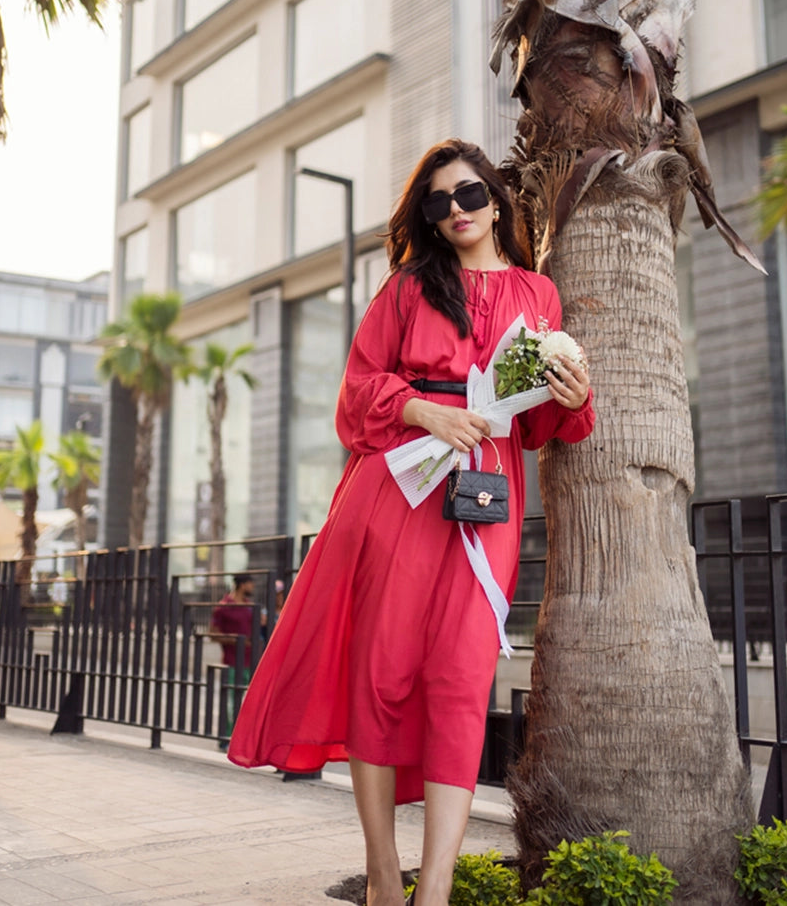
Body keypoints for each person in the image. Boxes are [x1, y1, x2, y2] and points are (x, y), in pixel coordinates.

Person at [228, 140, 594, 906]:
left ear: (496, 201)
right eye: (437, 203)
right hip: (395, 489)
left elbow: (536, 429)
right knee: (383, 674)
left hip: (484, 497)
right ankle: (384, 877)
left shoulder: (537, 295)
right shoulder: (405, 289)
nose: (454, 211)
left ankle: (434, 891)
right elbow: (356, 392)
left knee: (461, 679)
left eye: (467, 196)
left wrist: (573, 394)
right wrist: (422, 407)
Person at [209, 572, 255, 747]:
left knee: (249, 701)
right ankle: (227, 738)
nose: (253, 587)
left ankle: (244, 738)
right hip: (232, 659)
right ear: (242, 585)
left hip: (251, 660)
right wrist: (235, 639)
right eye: (251, 584)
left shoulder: (250, 606)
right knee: (231, 701)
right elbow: (213, 633)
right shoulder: (223, 606)